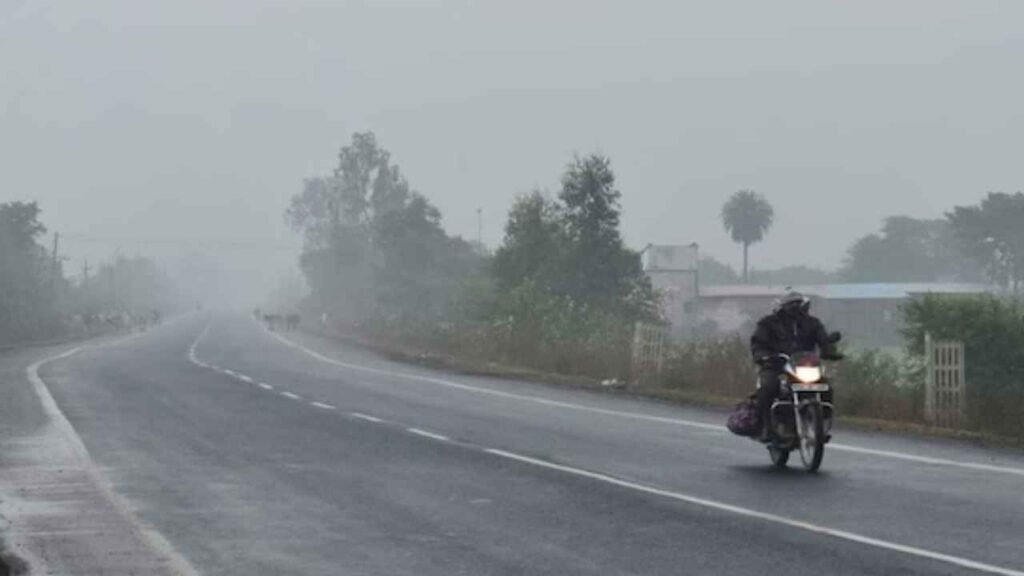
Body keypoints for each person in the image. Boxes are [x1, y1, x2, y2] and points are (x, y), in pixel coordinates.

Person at [749, 289, 841, 439]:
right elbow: (758, 343)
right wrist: (763, 355)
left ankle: (820, 424)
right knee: (768, 387)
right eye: (791, 303)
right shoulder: (768, 323)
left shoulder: (812, 323)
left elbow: (823, 340)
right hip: (776, 365)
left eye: (798, 303)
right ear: (782, 305)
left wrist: (829, 351)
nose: (795, 306)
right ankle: (763, 426)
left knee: (826, 387)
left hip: (804, 366)